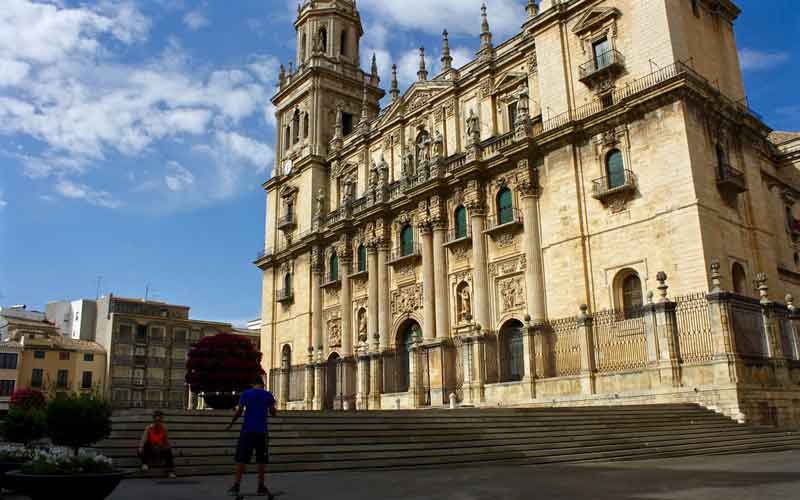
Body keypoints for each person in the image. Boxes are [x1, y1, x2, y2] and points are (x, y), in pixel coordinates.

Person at [226, 377, 277, 498]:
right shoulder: (268, 395)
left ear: (252, 384)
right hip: (261, 432)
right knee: (261, 460)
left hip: (247, 431)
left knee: (241, 459)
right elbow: (273, 412)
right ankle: (261, 486)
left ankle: (236, 485)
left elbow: (239, 411)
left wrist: (231, 423)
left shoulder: (246, 394)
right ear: (262, 384)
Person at [138, 411, 177, 479]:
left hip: (160, 449)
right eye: (156, 420)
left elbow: (166, 441)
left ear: (161, 420)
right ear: (153, 420)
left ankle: (170, 472)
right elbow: (143, 439)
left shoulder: (164, 429)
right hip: (151, 450)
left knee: (168, 451)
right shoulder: (149, 428)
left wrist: (169, 448)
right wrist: (140, 447)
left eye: (159, 420)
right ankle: (144, 463)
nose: (157, 422)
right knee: (145, 445)